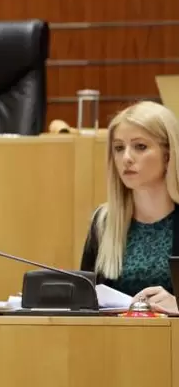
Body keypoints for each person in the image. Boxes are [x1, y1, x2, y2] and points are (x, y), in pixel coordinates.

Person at [80, 101, 179, 314]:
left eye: (140, 147)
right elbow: (85, 305)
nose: (126, 158)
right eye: (119, 148)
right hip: (116, 333)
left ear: (168, 154)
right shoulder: (103, 221)